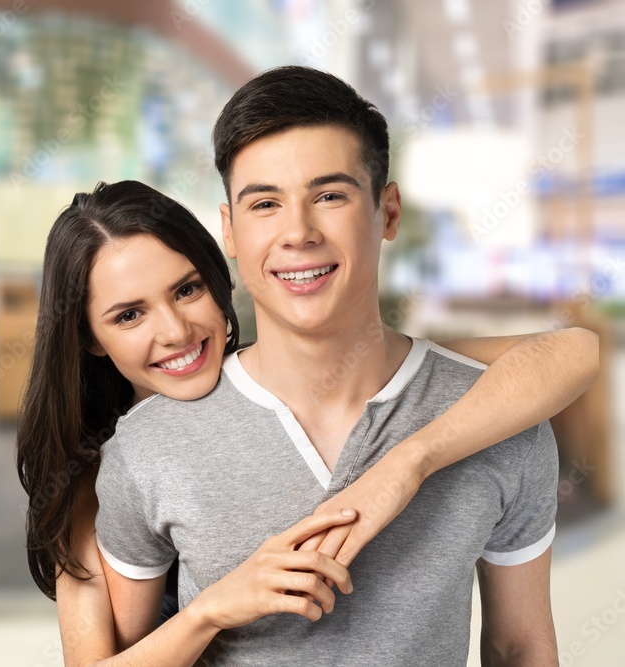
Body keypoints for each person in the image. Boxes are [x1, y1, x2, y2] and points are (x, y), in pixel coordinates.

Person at [92, 67, 594, 665]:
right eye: (265, 204)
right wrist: (213, 609)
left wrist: (407, 467)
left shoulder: (501, 419)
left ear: (388, 212)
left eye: (330, 196)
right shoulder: (149, 447)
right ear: (229, 230)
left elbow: (520, 647)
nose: (298, 233)